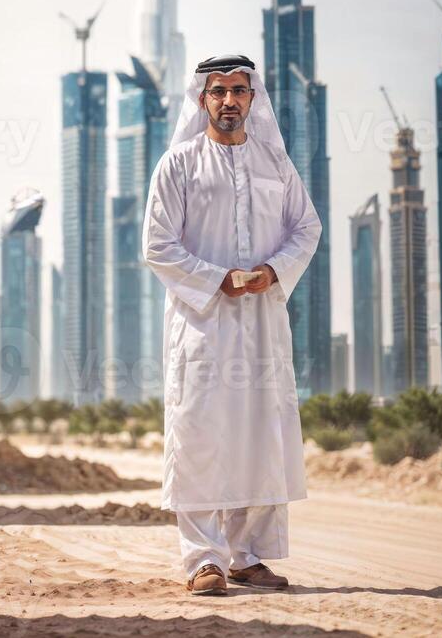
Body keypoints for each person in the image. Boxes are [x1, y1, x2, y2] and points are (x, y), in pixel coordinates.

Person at [142, 53, 322, 596]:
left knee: (259, 433)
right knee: (199, 434)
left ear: (252, 98)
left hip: (263, 324)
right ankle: (204, 559)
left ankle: (248, 556)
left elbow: (306, 227)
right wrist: (217, 279)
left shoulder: (276, 165)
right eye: (217, 92)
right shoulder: (178, 164)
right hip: (202, 325)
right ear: (202, 99)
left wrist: (273, 271)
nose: (228, 101)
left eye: (238, 92)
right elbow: (158, 245)